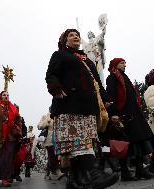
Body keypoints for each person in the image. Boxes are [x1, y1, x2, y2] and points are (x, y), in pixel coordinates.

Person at [45, 28, 118, 189]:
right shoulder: (60, 55)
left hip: (87, 106)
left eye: (77, 34)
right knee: (79, 144)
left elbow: (96, 81)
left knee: (84, 143)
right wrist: (56, 88)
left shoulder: (87, 59)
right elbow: (51, 74)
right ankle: (94, 175)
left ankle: (76, 181)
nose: (76, 36)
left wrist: (105, 99)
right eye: (71, 35)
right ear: (64, 40)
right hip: (69, 104)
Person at [106, 58, 154, 181]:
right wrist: (114, 113)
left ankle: (140, 170)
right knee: (124, 145)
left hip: (134, 114)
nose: (125, 65)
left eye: (125, 63)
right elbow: (111, 96)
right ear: (115, 65)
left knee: (139, 142)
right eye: (122, 63)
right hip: (123, 115)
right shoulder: (112, 78)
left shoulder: (124, 77)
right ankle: (125, 173)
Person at [37, 107, 64, 180]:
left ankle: (47, 171)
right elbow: (39, 126)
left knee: (54, 156)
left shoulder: (59, 116)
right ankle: (57, 171)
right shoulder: (45, 117)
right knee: (52, 155)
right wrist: (48, 120)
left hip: (58, 140)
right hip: (49, 141)